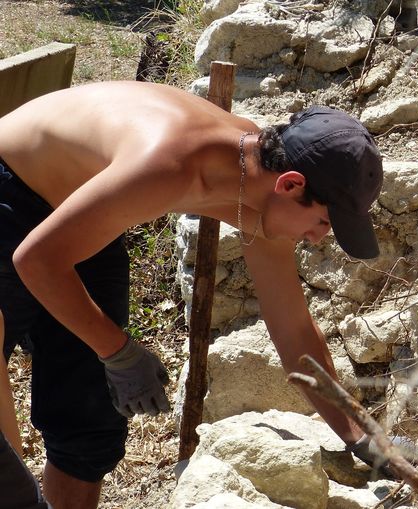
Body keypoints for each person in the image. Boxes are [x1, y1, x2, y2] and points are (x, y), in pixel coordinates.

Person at [0, 80, 384, 508]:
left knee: (90, 424)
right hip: (10, 188)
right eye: (324, 224)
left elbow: (294, 330)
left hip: (82, 205)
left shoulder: (261, 195)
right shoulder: (170, 164)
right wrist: (118, 352)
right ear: (291, 185)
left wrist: (360, 434)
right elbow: (35, 260)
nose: (316, 240)